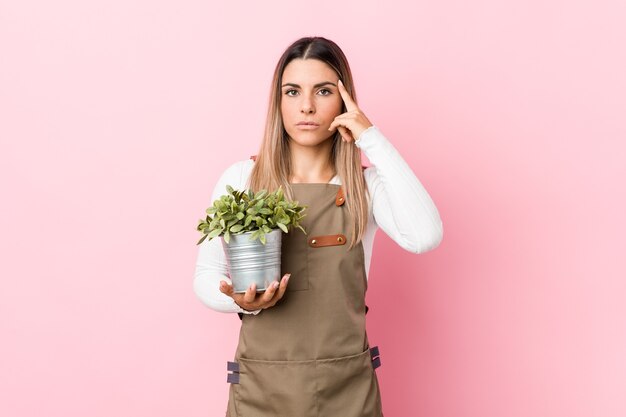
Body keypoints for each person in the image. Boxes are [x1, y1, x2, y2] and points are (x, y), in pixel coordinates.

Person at [194, 36, 443, 417]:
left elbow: (425, 236)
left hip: (347, 392)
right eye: (292, 92)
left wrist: (370, 138)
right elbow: (207, 273)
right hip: (262, 391)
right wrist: (237, 299)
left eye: (323, 91)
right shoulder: (243, 178)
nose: (306, 106)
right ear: (278, 102)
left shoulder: (365, 188)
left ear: (345, 101)